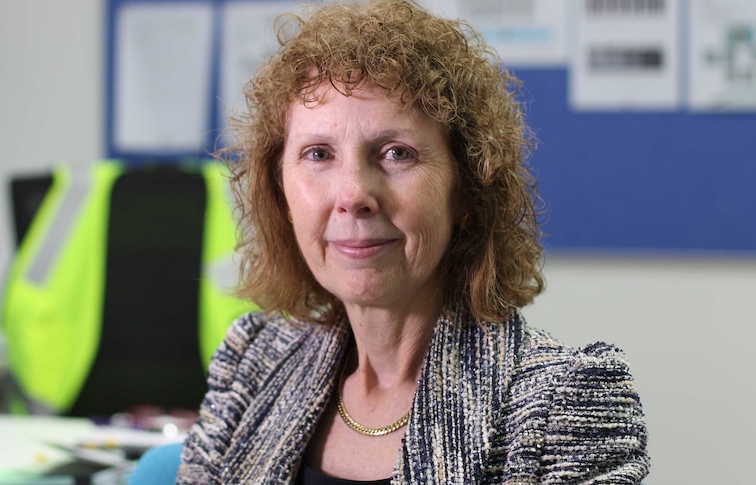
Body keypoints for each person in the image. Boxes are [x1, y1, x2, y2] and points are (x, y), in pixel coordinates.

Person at [178, 0, 649, 483]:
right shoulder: (252, 364)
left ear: (466, 190)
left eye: (396, 153)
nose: (353, 195)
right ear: (281, 192)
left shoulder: (563, 403)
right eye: (318, 153)